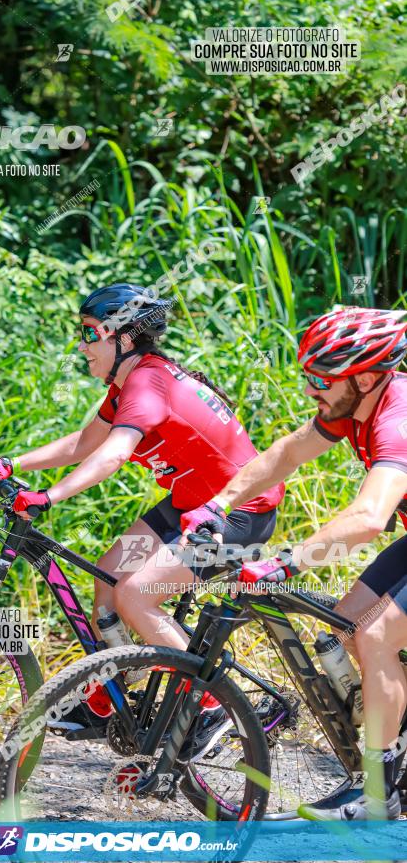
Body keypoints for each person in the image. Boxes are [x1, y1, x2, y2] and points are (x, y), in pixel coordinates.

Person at [0, 282, 283, 757]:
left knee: (136, 596)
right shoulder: (130, 382)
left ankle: (211, 706)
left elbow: (115, 455)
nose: (81, 345)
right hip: (190, 501)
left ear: (122, 338)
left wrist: (50, 496)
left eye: (88, 333)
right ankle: (113, 697)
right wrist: (14, 464)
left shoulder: (146, 383)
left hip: (240, 510)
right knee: (107, 579)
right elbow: (86, 444)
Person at [181, 305, 407, 819]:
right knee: (347, 625)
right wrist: (220, 503)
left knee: (376, 636)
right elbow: (286, 455)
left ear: (368, 376)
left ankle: (380, 798)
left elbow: (371, 517)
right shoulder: (352, 405)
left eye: (321, 378)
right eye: (308, 376)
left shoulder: (397, 422)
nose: (311, 389)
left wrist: (286, 562)